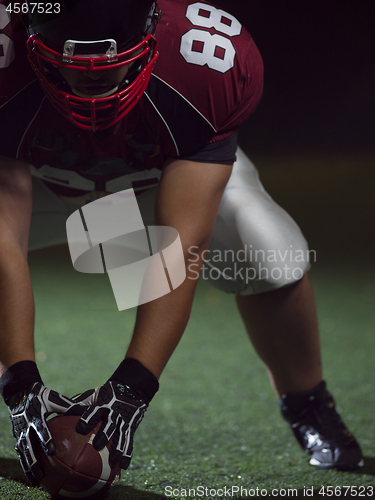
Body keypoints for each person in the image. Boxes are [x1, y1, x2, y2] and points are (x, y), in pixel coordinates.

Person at [0, 0, 363, 488]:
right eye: (70, 65)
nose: (90, 79)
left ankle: (309, 404)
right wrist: (20, 382)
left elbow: (180, 246)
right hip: (44, 185)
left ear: (152, 24)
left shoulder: (204, 65)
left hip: (153, 185)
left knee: (265, 253)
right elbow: (3, 237)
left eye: (110, 63)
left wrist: (134, 385)